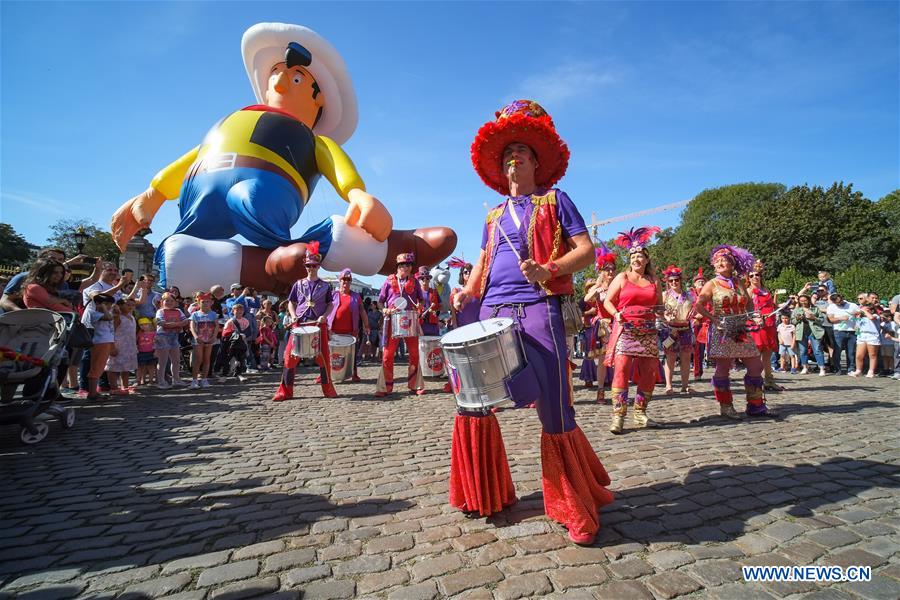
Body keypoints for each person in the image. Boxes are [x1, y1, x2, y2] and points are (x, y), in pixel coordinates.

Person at [110, 22, 455, 294]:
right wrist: (153, 193)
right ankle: (274, 264)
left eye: (295, 77)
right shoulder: (233, 119)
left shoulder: (312, 139)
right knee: (181, 252)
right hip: (202, 191)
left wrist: (358, 195)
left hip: (267, 188)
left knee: (253, 202)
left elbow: (336, 163)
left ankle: (360, 249)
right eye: (277, 71)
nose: (279, 79)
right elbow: (194, 157)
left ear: (319, 101)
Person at [453, 100, 613, 545]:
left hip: (539, 308)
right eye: (508, 153)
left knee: (554, 407)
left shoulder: (556, 200)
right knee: (475, 401)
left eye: (522, 151)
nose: (514, 157)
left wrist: (551, 268)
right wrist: (468, 289)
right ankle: (484, 494)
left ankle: (572, 504)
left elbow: (586, 252)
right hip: (492, 311)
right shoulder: (491, 216)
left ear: (538, 162)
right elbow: (484, 260)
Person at [693, 245, 777, 419]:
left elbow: (748, 303)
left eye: (724, 260)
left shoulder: (739, 282)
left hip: (741, 330)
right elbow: (699, 305)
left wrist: (754, 316)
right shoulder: (712, 284)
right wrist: (714, 318)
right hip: (723, 331)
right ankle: (726, 406)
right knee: (723, 368)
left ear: (732, 264)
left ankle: (755, 405)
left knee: (756, 365)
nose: (720, 263)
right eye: (717, 261)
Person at [603, 227, 664, 432]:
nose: (636, 259)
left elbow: (659, 306)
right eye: (633, 256)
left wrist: (666, 315)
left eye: (640, 256)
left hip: (648, 329)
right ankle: (618, 416)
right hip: (626, 328)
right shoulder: (622, 277)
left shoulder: (654, 281)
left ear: (647, 260)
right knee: (621, 369)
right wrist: (616, 314)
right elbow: (608, 302)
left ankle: (640, 413)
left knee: (649, 372)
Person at [274, 241, 336, 400]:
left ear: (319, 266)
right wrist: (293, 314)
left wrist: (325, 316)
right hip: (299, 324)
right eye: (309, 266)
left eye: (314, 266)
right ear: (305, 266)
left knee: (323, 358)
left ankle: (328, 389)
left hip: (318, 324)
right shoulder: (298, 284)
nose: (311, 268)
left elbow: (330, 304)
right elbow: (291, 302)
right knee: (290, 357)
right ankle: (285, 391)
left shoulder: (325, 285)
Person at [376, 253, 428, 397]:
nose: (406, 267)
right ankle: (384, 387)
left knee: (414, 353)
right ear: (398, 267)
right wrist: (384, 309)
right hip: (392, 320)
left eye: (408, 265)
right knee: (387, 355)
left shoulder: (415, 282)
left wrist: (419, 308)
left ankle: (415, 385)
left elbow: (421, 301)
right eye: (403, 265)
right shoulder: (388, 281)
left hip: (410, 320)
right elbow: (380, 301)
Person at [582, 243, 617, 403]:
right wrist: (597, 285)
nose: (610, 271)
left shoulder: (619, 284)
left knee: (620, 359)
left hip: (618, 324)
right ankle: (601, 390)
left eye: (612, 268)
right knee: (603, 361)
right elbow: (586, 299)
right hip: (604, 327)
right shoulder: (599, 288)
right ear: (601, 271)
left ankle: (619, 392)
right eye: (607, 269)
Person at [326, 269, 368, 382]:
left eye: (348, 279)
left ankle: (354, 374)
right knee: (329, 354)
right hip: (332, 330)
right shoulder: (332, 295)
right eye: (343, 279)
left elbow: (362, 311)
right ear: (339, 280)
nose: (346, 281)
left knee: (352, 354)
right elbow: (325, 309)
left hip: (351, 330)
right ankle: (325, 375)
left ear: (351, 282)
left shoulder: (356, 296)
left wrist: (366, 325)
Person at [660, 265, 696, 395]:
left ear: (680, 280)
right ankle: (669, 385)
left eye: (676, 280)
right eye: (671, 280)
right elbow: (658, 310)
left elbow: (696, 309)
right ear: (668, 282)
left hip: (685, 329)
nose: (674, 282)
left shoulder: (689, 295)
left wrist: (696, 317)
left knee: (686, 358)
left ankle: (685, 385)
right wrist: (665, 316)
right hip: (670, 330)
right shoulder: (665, 295)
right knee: (670, 357)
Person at [747, 261, 782, 391]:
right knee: (756, 354)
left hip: (769, 324)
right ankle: (755, 380)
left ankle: (769, 380)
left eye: (757, 275)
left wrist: (780, 305)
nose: (755, 277)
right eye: (751, 275)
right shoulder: (749, 291)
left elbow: (771, 305)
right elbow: (746, 310)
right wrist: (754, 318)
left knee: (768, 354)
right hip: (756, 325)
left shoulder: (766, 290)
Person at [84, 294, 116, 400]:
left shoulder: (104, 313)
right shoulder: (93, 313)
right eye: (106, 304)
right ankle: (92, 393)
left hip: (106, 342)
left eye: (110, 304)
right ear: (97, 303)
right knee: (96, 368)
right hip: (99, 343)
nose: (109, 307)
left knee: (100, 368)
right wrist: (103, 308)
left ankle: (94, 392)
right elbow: (108, 317)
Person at [155, 292, 189, 389]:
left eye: (171, 301)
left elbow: (185, 321)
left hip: (174, 336)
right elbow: (162, 323)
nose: (169, 302)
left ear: (175, 302)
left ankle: (176, 379)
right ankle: (161, 381)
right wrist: (178, 324)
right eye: (167, 300)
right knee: (163, 361)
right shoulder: (160, 311)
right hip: (162, 337)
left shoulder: (178, 310)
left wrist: (173, 324)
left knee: (176, 360)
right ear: (162, 302)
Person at [106, 299, 139, 394]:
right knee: (113, 367)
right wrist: (112, 347)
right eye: (127, 305)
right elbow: (112, 331)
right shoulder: (117, 317)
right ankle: (114, 387)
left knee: (126, 367)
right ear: (120, 305)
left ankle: (124, 386)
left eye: (132, 305)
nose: (130, 307)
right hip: (118, 346)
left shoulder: (131, 317)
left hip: (129, 346)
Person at [189, 292, 219, 388]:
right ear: (198, 303)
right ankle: (194, 380)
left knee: (207, 359)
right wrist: (196, 337)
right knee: (198, 360)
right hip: (198, 340)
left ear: (211, 303)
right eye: (203, 302)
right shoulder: (195, 314)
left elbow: (216, 326)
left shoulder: (214, 314)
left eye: (207, 301)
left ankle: (204, 379)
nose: (205, 303)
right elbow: (192, 327)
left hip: (209, 339)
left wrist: (214, 337)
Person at [791, 293, 826, 375]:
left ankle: (822, 368)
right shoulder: (797, 310)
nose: (803, 302)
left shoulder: (815, 309)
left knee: (817, 350)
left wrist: (813, 318)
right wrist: (797, 319)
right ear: (799, 301)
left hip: (814, 331)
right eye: (801, 301)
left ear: (808, 300)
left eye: (805, 300)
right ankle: (805, 367)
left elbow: (821, 320)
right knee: (803, 351)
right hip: (801, 332)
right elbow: (792, 321)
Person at [826, 293, 859, 375]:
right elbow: (831, 319)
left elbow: (860, 315)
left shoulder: (852, 305)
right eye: (837, 303)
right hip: (839, 330)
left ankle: (850, 369)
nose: (839, 303)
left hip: (852, 330)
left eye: (840, 301)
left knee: (851, 351)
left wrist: (857, 315)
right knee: (837, 350)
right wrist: (841, 318)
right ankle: (837, 369)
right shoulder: (831, 307)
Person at [691, 267, 711, 381]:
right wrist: (695, 316)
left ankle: (720, 372)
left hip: (708, 323)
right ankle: (697, 372)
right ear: (695, 284)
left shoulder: (709, 295)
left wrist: (705, 315)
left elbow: (712, 308)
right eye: (699, 282)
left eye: (703, 282)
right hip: (696, 324)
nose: (701, 284)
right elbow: (688, 308)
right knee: (698, 349)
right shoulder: (691, 295)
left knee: (712, 349)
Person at [222, 303, 251, 379]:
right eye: (237, 310)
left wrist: (243, 335)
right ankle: (225, 372)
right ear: (233, 311)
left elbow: (248, 331)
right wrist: (234, 333)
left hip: (241, 342)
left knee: (241, 358)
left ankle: (238, 373)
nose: (239, 312)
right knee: (228, 357)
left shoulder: (245, 321)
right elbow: (225, 332)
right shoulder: (230, 321)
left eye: (241, 310)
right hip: (232, 342)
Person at [852, 301, 881, 378]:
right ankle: (858, 370)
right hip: (862, 335)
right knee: (859, 355)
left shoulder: (875, 315)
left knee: (872, 355)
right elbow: (856, 329)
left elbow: (871, 317)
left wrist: (864, 310)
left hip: (872, 335)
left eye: (867, 309)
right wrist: (857, 319)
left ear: (871, 310)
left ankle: (871, 371)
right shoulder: (861, 317)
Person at [449, 261, 479, 329]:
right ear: (462, 275)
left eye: (470, 271)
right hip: (462, 328)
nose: (468, 273)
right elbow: (453, 313)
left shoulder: (478, 290)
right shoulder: (456, 291)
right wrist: (455, 327)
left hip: (478, 327)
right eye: (465, 272)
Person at [416, 267, 441, 337]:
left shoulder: (434, 292)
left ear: (430, 280)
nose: (425, 280)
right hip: (420, 326)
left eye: (427, 278)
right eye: (422, 278)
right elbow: (412, 309)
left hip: (433, 326)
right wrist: (419, 314)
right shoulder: (415, 294)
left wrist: (437, 312)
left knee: (435, 347)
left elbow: (440, 306)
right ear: (419, 280)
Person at [136, 317, 157, 386]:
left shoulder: (154, 333)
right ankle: (140, 380)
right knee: (140, 367)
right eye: (141, 325)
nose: (143, 326)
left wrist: (156, 351)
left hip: (151, 352)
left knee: (151, 367)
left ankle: (151, 381)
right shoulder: (139, 333)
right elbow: (135, 342)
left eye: (145, 324)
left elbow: (156, 343)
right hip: (141, 352)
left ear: (150, 324)